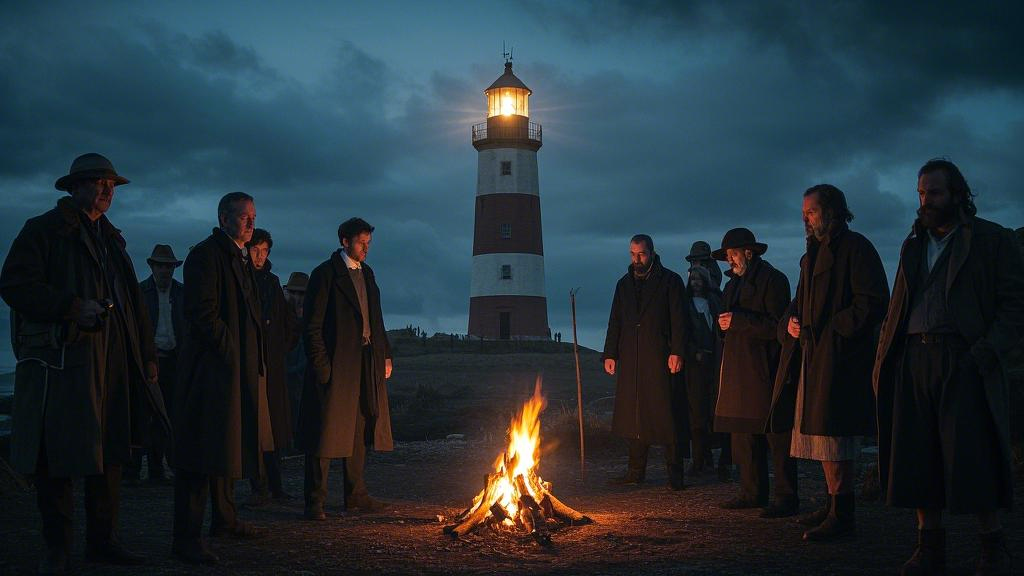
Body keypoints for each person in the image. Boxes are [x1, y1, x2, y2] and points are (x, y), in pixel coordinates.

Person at [0, 153, 169, 572]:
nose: (108, 190)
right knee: (56, 457)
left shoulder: (112, 240)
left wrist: (146, 355)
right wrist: (72, 307)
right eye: (98, 182)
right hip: (66, 362)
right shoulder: (44, 230)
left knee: (110, 453)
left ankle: (103, 542)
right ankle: (57, 548)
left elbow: (132, 303)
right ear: (74, 187)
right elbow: (15, 285)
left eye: (111, 183)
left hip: (113, 363)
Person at [874, 159, 1023, 575]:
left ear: (958, 194)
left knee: (973, 454)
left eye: (934, 193)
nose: (926, 201)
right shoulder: (912, 245)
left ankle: (993, 547)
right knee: (919, 456)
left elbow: (1015, 305)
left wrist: (985, 353)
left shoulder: (991, 239)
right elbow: (898, 306)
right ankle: (929, 547)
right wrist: (887, 356)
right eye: (921, 194)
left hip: (964, 357)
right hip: (914, 358)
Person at [771, 185, 889, 539]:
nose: (805, 218)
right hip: (814, 356)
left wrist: (836, 330)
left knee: (835, 437)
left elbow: (872, 301)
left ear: (833, 211)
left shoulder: (856, 248)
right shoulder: (810, 255)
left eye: (811, 211)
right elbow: (801, 300)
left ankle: (843, 514)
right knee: (823, 436)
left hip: (840, 360)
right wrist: (790, 322)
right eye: (804, 212)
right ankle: (832, 504)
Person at [172, 192, 272, 564]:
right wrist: (232, 352)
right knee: (200, 453)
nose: (250, 223)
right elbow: (202, 312)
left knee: (225, 448)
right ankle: (186, 539)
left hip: (235, 371)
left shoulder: (240, 257)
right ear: (223, 217)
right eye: (244, 216)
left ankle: (225, 520)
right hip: (213, 373)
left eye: (253, 217)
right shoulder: (206, 255)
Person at [298, 217, 395, 520]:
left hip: (366, 361)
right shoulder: (325, 275)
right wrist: (323, 367)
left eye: (369, 242)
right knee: (325, 432)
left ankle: (355, 496)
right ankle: (315, 501)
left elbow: (376, 320)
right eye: (361, 242)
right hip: (337, 364)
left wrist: (385, 356)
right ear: (344, 241)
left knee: (359, 428)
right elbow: (311, 327)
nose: (366, 248)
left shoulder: (368, 274)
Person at [712, 228, 798, 515]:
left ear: (749, 252)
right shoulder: (731, 285)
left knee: (776, 435)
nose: (729, 261)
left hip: (765, 368)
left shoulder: (773, 281)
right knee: (743, 435)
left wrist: (738, 321)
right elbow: (727, 324)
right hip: (738, 369)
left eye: (733, 254)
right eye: (726, 257)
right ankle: (751, 492)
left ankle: (786, 497)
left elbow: (778, 325)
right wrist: (724, 326)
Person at [602, 234, 689, 490]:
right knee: (634, 415)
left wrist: (677, 351)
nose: (636, 259)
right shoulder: (624, 284)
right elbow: (615, 321)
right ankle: (635, 470)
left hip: (660, 357)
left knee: (666, 415)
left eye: (640, 254)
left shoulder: (670, 281)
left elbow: (679, 320)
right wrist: (610, 354)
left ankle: (675, 474)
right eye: (632, 254)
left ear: (651, 252)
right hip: (631, 359)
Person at [245, 229, 299, 505]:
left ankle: (274, 486)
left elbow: (287, 324)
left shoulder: (272, 282)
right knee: (254, 427)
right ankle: (259, 487)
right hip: (249, 364)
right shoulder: (241, 279)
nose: (260, 255)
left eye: (264, 250)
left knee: (273, 429)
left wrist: (278, 350)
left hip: (271, 365)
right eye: (256, 249)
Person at [133, 244, 186, 485]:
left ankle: (160, 467)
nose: (166, 271)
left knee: (170, 416)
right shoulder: (141, 293)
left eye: (169, 267)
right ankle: (136, 470)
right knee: (144, 416)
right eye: (161, 266)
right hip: (149, 362)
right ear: (153, 267)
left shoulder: (181, 293)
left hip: (175, 361)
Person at [681, 265, 721, 476]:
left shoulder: (715, 303)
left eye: (699, 278)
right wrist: (693, 352)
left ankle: (710, 458)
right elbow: (682, 332)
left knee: (711, 412)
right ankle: (698, 459)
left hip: (714, 364)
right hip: (695, 366)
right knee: (696, 413)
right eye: (693, 278)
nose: (696, 282)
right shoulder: (685, 305)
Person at [284, 272, 309, 441]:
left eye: (302, 294)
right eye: (296, 293)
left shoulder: (311, 315)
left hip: (303, 371)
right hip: (285, 370)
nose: (299, 298)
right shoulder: (282, 314)